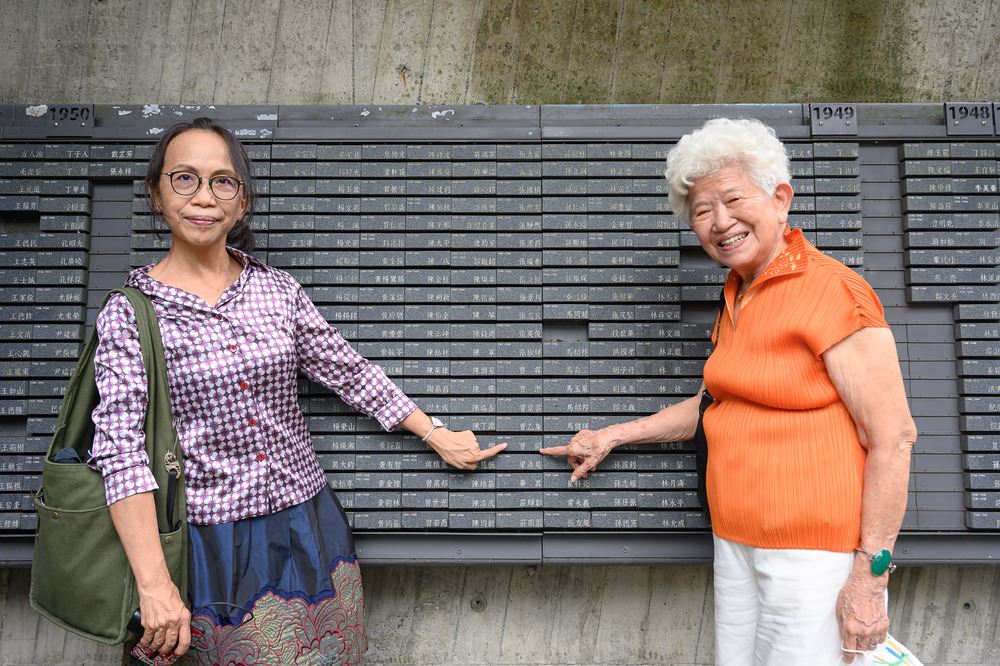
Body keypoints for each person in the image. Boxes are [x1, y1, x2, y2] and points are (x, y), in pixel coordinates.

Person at [89, 117, 506, 665]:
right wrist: (154, 584)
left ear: (242, 202)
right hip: (207, 542)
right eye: (185, 178)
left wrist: (434, 433)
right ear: (156, 194)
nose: (204, 197)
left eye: (223, 181)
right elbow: (120, 454)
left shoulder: (277, 290)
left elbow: (347, 370)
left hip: (306, 526)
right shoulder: (131, 313)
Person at [541, 118, 916, 665]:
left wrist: (870, 577)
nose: (720, 222)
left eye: (734, 199)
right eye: (702, 211)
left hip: (811, 554)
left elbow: (894, 438)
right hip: (736, 541)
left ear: (780, 199)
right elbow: (713, 402)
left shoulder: (834, 291)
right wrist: (613, 436)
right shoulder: (738, 292)